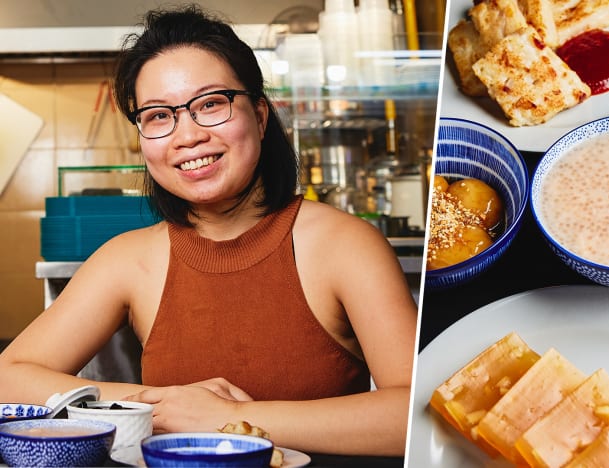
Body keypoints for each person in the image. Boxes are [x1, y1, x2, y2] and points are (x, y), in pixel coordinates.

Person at [0, 4, 417, 457]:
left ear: (259, 116)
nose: (187, 135)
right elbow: (10, 377)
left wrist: (221, 419)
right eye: (159, 115)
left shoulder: (345, 246)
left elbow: (411, 413)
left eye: (210, 104)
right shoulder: (129, 259)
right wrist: (153, 406)